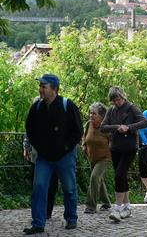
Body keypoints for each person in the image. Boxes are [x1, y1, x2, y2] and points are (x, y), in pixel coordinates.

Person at [23, 74, 83, 235]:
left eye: (44, 86)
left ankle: (71, 218)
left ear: (54, 89)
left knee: (69, 188)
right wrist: (39, 147)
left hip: (65, 156)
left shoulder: (67, 105)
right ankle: (38, 223)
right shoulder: (37, 107)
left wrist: (64, 148)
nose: (40, 89)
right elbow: (30, 129)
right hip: (44, 157)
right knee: (39, 187)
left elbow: (78, 132)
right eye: (40, 86)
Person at [100, 86, 147, 222]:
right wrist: (117, 127)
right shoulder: (111, 111)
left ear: (122, 96)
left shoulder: (131, 108)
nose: (117, 102)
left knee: (119, 175)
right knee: (121, 177)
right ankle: (127, 207)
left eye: (118, 99)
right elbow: (103, 128)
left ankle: (117, 207)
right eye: (114, 100)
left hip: (129, 148)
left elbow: (145, 122)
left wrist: (129, 127)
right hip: (115, 148)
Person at [82, 102, 111, 214]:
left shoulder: (106, 127)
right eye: (90, 113)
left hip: (104, 157)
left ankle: (90, 205)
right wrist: (84, 145)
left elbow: (112, 141)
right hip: (92, 157)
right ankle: (106, 202)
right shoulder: (88, 124)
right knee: (99, 179)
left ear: (102, 116)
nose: (91, 115)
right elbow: (84, 137)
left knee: (94, 177)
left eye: (94, 114)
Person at [23, 134, 58, 219]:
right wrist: (26, 148)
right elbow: (28, 131)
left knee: (52, 185)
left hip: (54, 156)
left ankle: (47, 211)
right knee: (35, 184)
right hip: (36, 156)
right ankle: (38, 212)